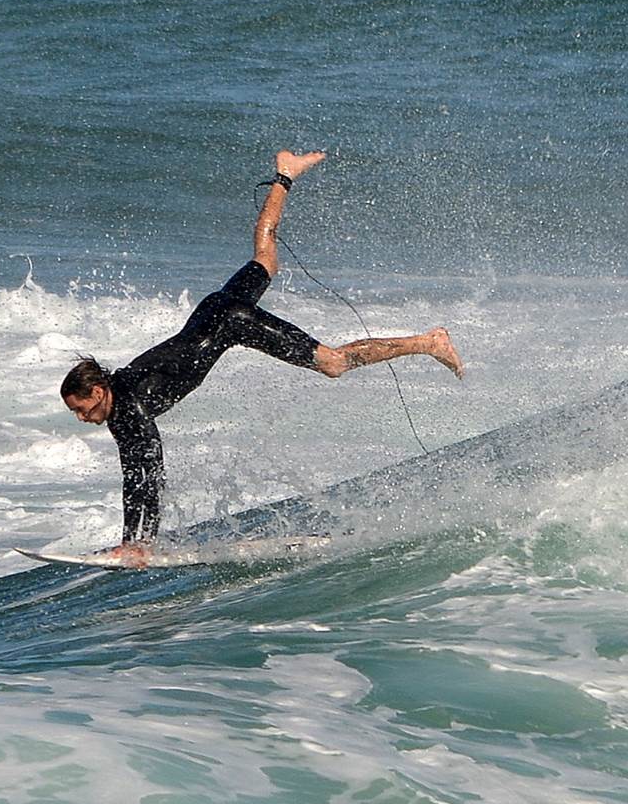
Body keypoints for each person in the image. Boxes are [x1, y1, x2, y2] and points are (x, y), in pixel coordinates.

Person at [60, 149, 463, 567]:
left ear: (97, 389)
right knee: (265, 259)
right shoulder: (121, 391)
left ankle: (428, 341)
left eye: (82, 408)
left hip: (232, 322)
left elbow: (144, 475)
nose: (82, 417)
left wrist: (136, 542)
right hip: (213, 310)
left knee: (333, 364)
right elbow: (141, 473)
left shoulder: (128, 408)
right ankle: (285, 173)